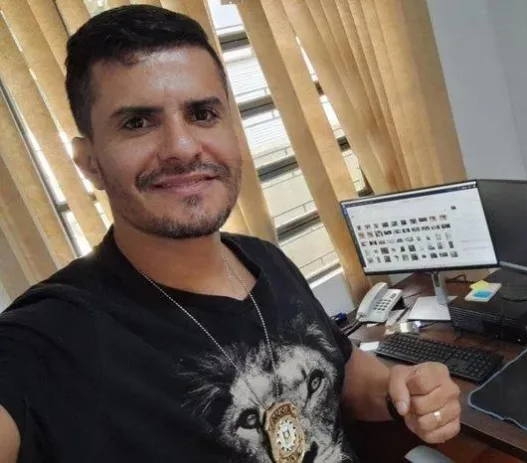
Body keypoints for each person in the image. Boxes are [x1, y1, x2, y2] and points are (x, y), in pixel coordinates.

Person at [0, 5, 461, 462]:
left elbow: (345, 373)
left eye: (202, 113)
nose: (182, 147)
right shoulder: (51, 337)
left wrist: (400, 389)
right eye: (137, 122)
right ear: (89, 163)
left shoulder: (266, 260)